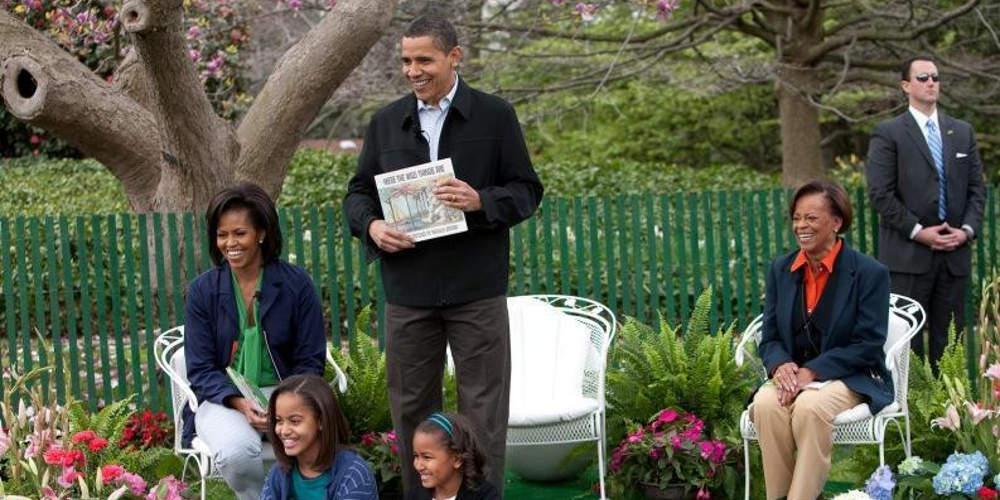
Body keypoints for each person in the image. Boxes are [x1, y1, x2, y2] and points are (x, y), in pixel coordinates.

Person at [343, 13, 543, 496]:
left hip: (477, 289)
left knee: (483, 413)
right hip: (409, 292)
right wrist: (371, 227)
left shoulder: (495, 116)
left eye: (424, 60)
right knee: (412, 410)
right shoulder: (386, 122)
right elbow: (357, 195)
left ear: (454, 56)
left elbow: (527, 191)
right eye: (406, 60)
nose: (413, 70)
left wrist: (482, 201)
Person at [185, 182, 327, 500]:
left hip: (288, 392)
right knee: (236, 453)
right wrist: (239, 403)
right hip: (224, 399)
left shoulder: (296, 285)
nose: (230, 243)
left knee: (314, 450)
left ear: (261, 233)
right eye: (222, 235)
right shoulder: (202, 291)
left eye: (240, 233)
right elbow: (201, 369)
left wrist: (283, 406)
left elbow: (311, 360)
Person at [752, 180, 892, 500]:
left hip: (851, 377)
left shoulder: (870, 273)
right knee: (764, 404)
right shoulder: (781, 269)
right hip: (793, 376)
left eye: (811, 218)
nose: (801, 225)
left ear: (836, 222)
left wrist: (812, 371)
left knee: (810, 407)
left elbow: (868, 344)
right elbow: (770, 336)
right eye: (797, 218)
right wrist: (780, 365)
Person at [866, 55, 986, 370]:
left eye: (935, 76)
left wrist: (967, 231)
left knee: (952, 346)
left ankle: (953, 414)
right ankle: (914, 417)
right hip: (908, 259)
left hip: (954, 256)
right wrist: (919, 232)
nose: (931, 82)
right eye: (922, 77)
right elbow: (880, 194)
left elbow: (977, 190)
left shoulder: (962, 132)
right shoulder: (888, 133)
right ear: (905, 85)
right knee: (908, 347)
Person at [261, 374, 378, 500]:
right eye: (279, 421)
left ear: (321, 421)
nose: (284, 431)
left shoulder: (353, 474)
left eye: (295, 421)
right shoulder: (279, 473)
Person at [407, 412, 499, 500]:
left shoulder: (485, 495)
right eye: (416, 456)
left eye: (427, 457)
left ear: (457, 459)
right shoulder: (414, 495)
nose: (418, 466)